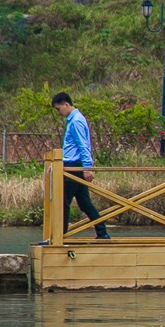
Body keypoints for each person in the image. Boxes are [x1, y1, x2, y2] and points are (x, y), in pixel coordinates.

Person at [52, 92, 109, 239]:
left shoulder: (76, 121)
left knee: (63, 202)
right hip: (75, 165)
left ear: (66, 104)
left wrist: (87, 167)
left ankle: (60, 236)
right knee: (84, 203)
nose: (59, 113)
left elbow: (83, 146)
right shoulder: (74, 120)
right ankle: (102, 233)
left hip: (74, 166)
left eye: (59, 109)